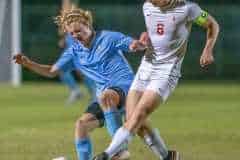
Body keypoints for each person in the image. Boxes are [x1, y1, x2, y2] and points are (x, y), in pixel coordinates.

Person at [13, 4, 145, 160]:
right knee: (81, 125)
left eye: (78, 31)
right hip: (105, 96)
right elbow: (51, 71)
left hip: (126, 88)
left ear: (88, 25)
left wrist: (137, 44)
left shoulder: (108, 37)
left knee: (105, 97)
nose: (75, 35)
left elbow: (130, 44)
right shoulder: (74, 51)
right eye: (71, 33)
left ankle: (119, 149)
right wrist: (29, 64)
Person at [93, 0, 220, 160]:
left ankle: (107, 155)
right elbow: (158, 32)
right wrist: (146, 38)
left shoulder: (188, 9)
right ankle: (168, 157)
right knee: (133, 120)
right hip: (146, 67)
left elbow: (212, 24)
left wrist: (208, 50)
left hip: (166, 71)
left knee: (139, 115)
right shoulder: (147, 7)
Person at [58, 0, 96, 104]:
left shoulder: (73, 13)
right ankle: (79, 91)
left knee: (81, 71)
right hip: (71, 49)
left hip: (76, 49)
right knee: (65, 70)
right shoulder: (67, 17)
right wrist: (64, 39)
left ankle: (91, 93)